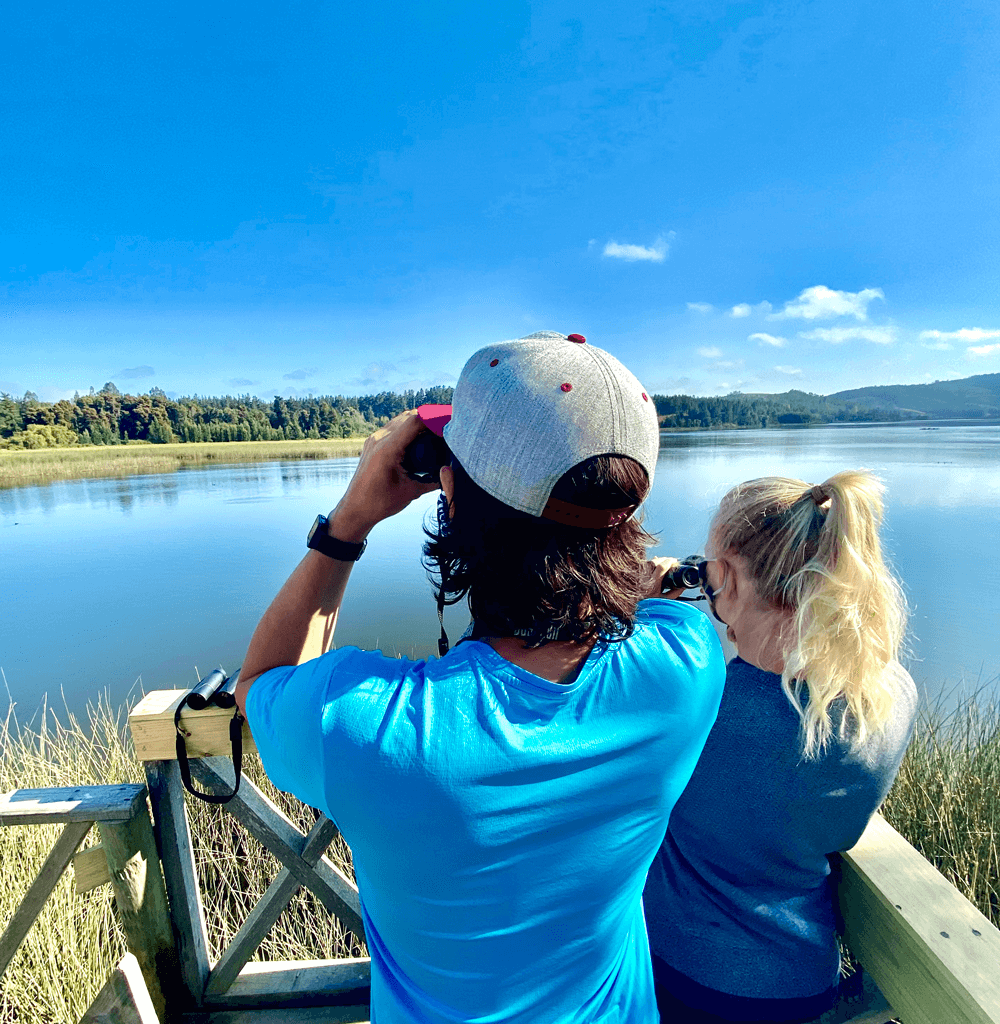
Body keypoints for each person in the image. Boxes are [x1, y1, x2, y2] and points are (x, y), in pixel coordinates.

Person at [235, 331, 727, 1024]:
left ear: (454, 499)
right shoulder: (687, 662)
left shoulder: (359, 722)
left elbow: (261, 682)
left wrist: (349, 522)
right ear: (628, 512)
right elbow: (643, 591)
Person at [643, 471, 918, 1024]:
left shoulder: (702, 709)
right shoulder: (889, 696)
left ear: (729, 581)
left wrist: (647, 604)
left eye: (708, 578)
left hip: (685, 975)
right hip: (799, 983)